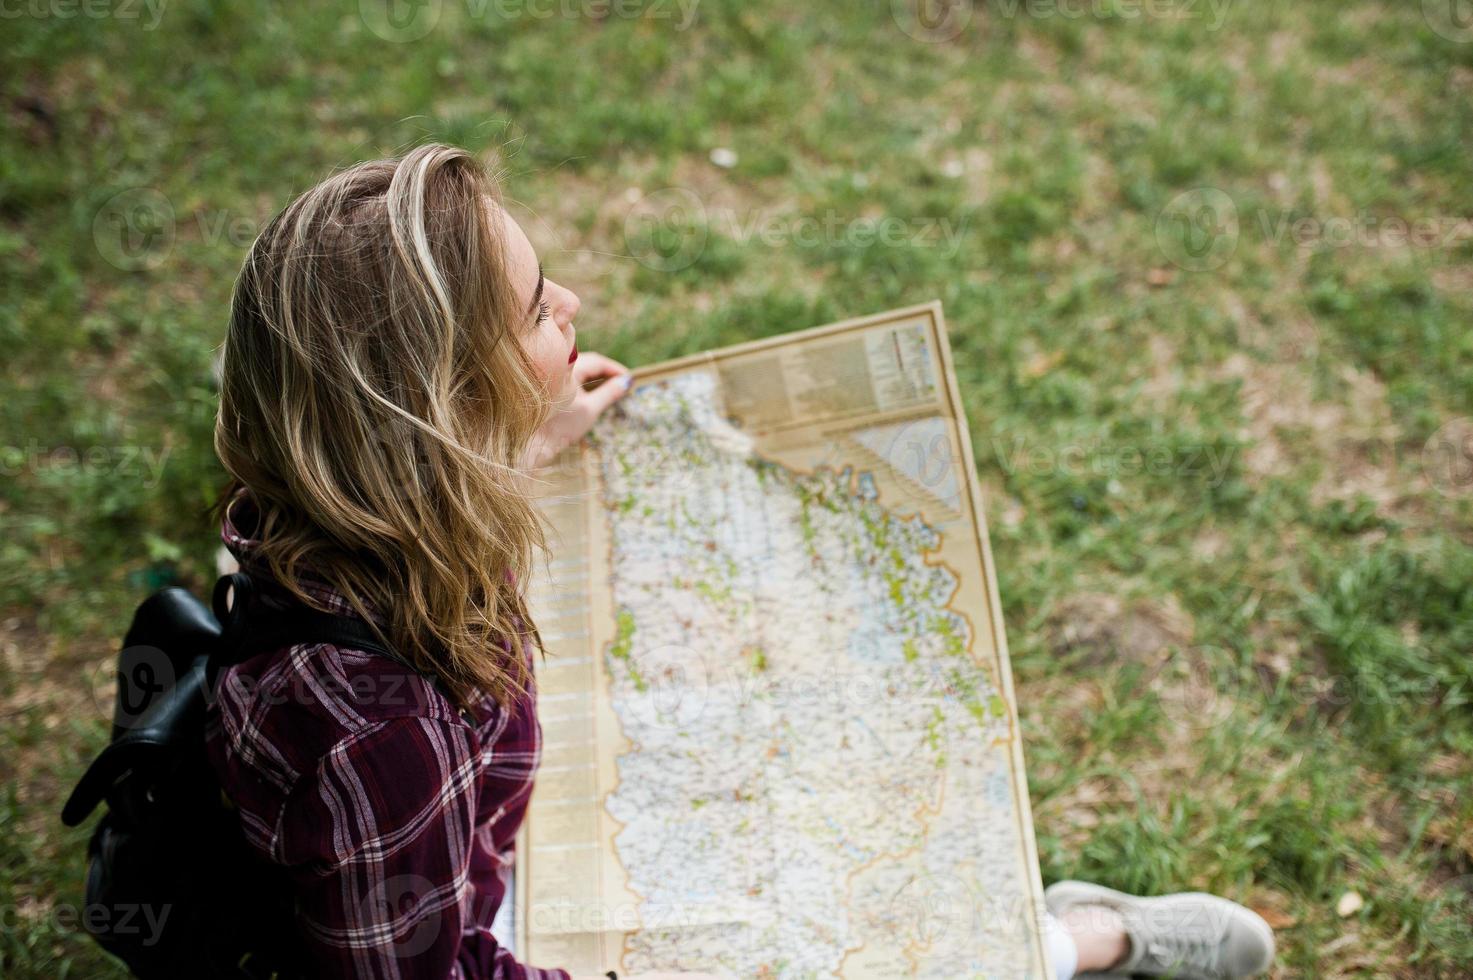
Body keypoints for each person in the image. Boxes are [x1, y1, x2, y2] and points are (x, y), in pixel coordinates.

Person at [204, 144, 1274, 980]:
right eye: (535, 309)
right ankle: (1072, 941)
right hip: (465, 919)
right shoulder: (377, 731)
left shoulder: (340, 517)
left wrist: (520, 443)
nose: (570, 301)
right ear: (444, 412)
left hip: (462, 850)